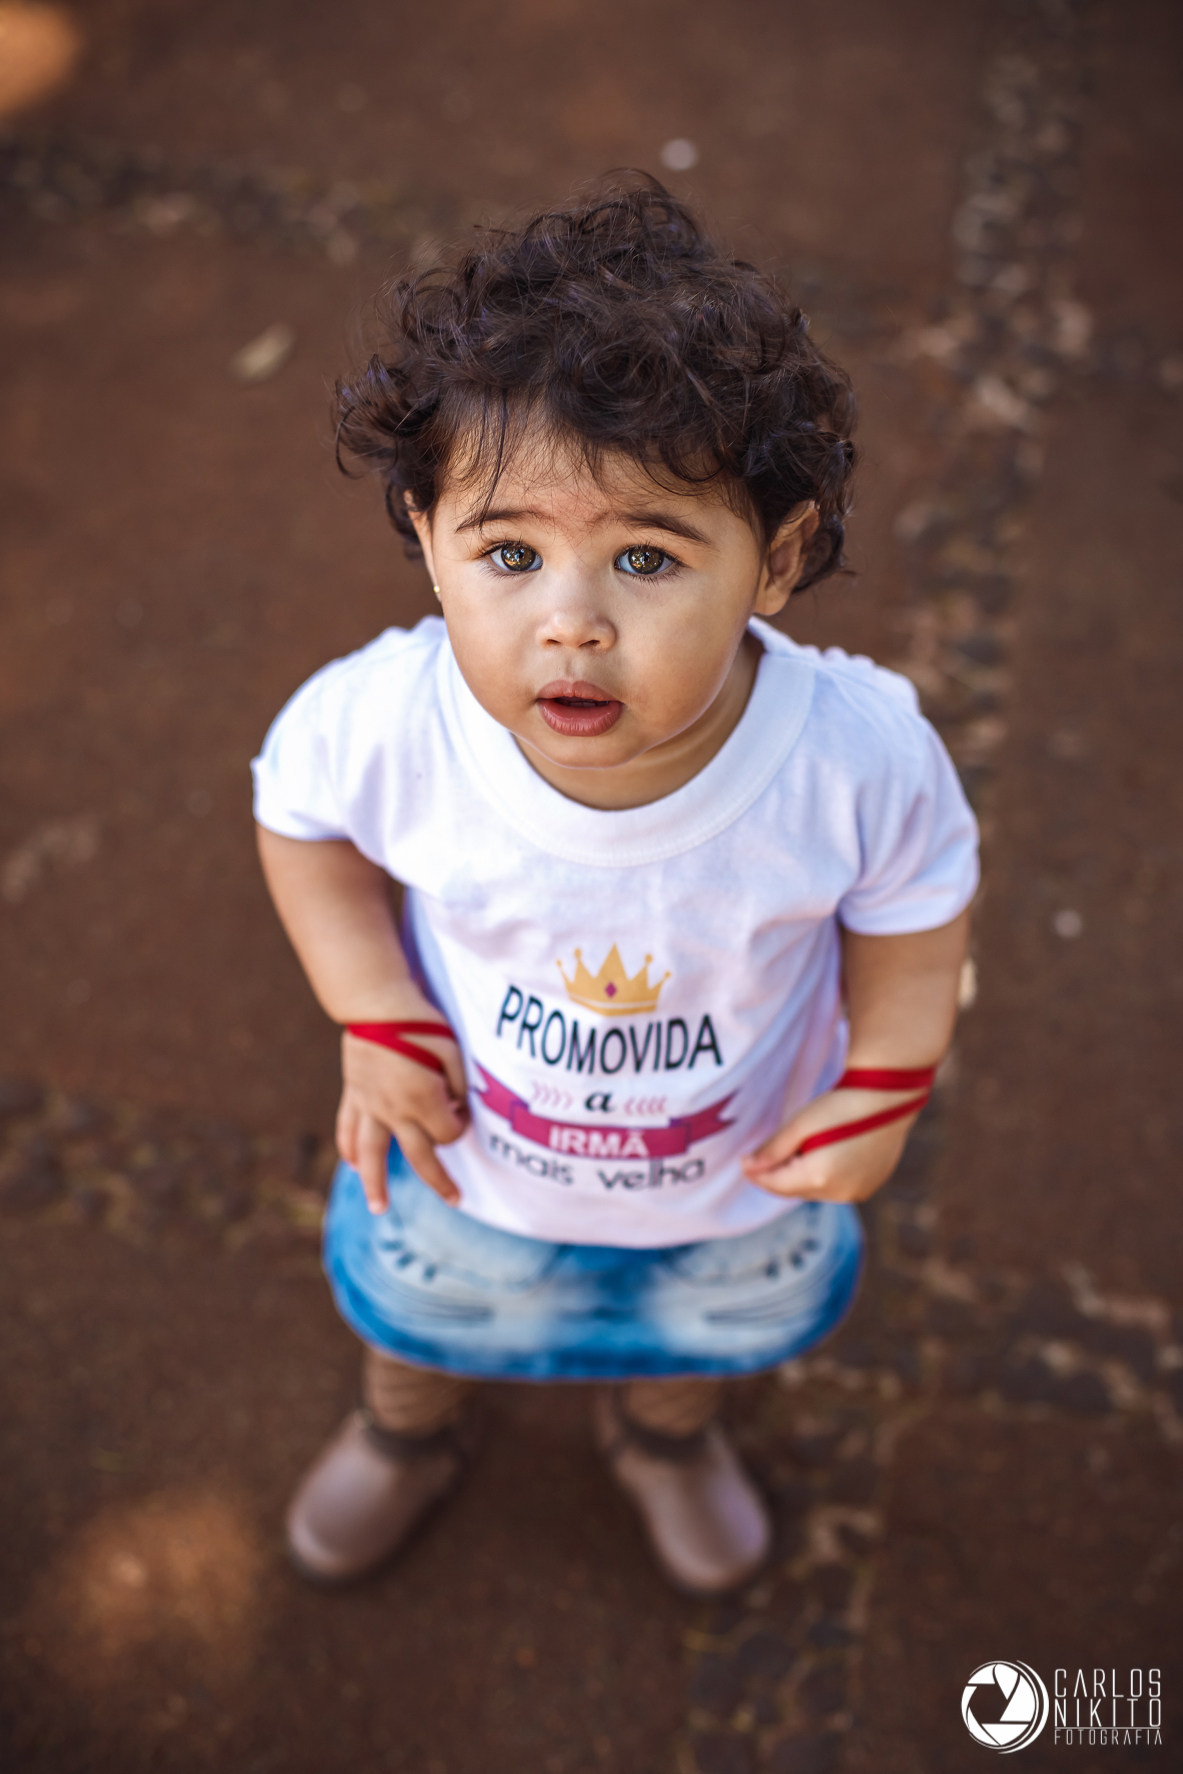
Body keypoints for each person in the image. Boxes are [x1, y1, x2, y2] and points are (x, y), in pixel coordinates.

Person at [252, 178, 976, 1596]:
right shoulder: (390, 722)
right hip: (468, 1159)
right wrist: (376, 1011)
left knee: (701, 1329)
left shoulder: (855, 757)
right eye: (508, 552)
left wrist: (887, 1082)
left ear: (778, 557)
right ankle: (404, 1430)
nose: (568, 618)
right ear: (426, 528)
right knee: (428, 1304)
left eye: (646, 555)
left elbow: (917, 903)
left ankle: (664, 1437)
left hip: (736, 1179)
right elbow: (303, 824)